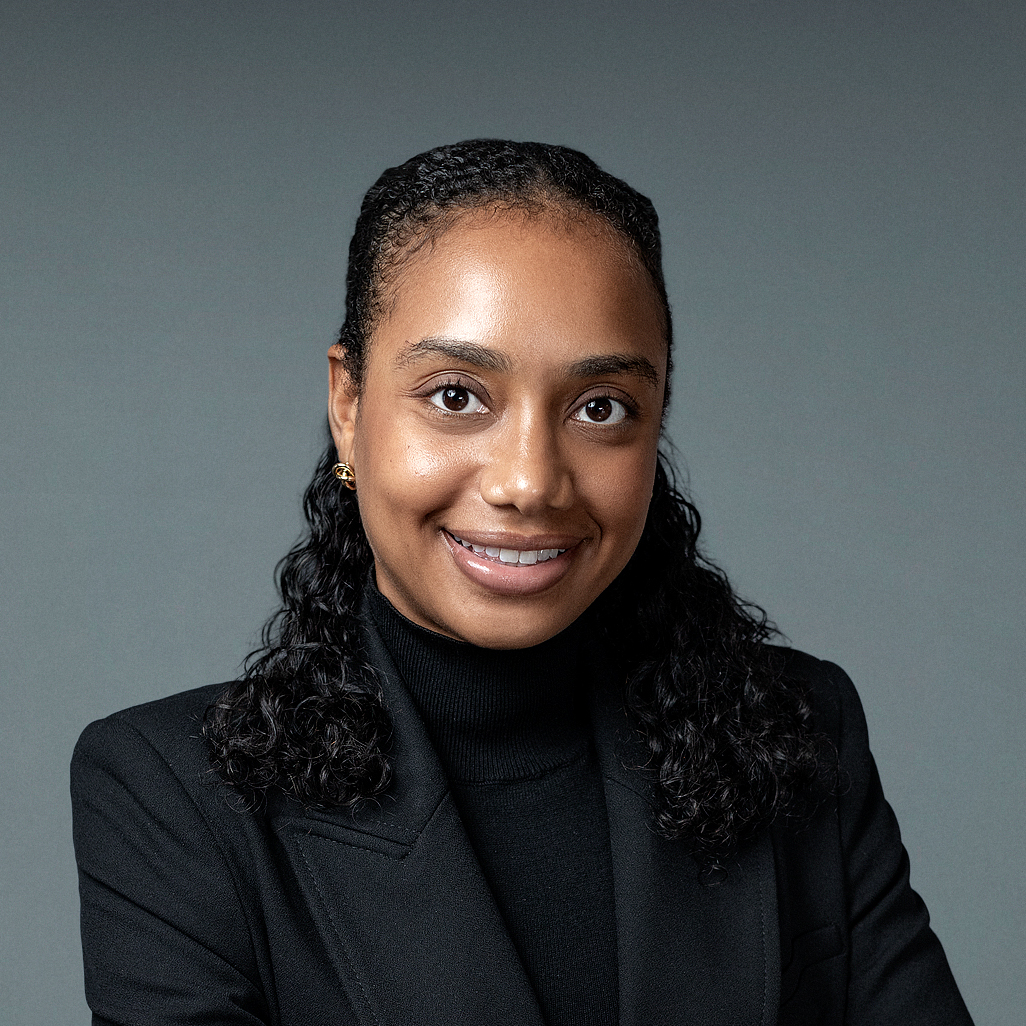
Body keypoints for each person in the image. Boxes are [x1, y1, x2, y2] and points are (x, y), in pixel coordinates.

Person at [71, 139, 973, 1025]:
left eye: (600, 407)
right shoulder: (170, 796)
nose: (530, 481)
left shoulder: (801, 733)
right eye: (456, 395)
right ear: (349, 405)